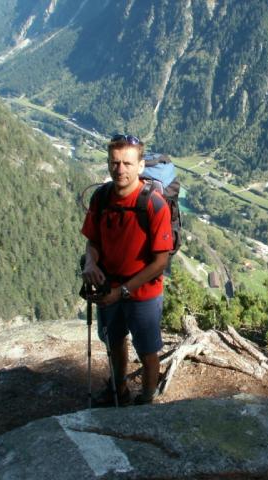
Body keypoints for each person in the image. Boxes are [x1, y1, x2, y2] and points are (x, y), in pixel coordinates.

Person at [81, 133, 173, 406]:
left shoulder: (154, 205)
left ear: (140, 166)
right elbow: (93, 241)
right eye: (115, 162)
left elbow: (160, 262)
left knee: (147, 351)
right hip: (109, 286)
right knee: (115, 342)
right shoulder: (101, 197)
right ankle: (119, 391)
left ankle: (146, 401)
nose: (120, 169)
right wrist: (91, 263)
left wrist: (121, 292)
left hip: (143, 293)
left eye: (127, 163)